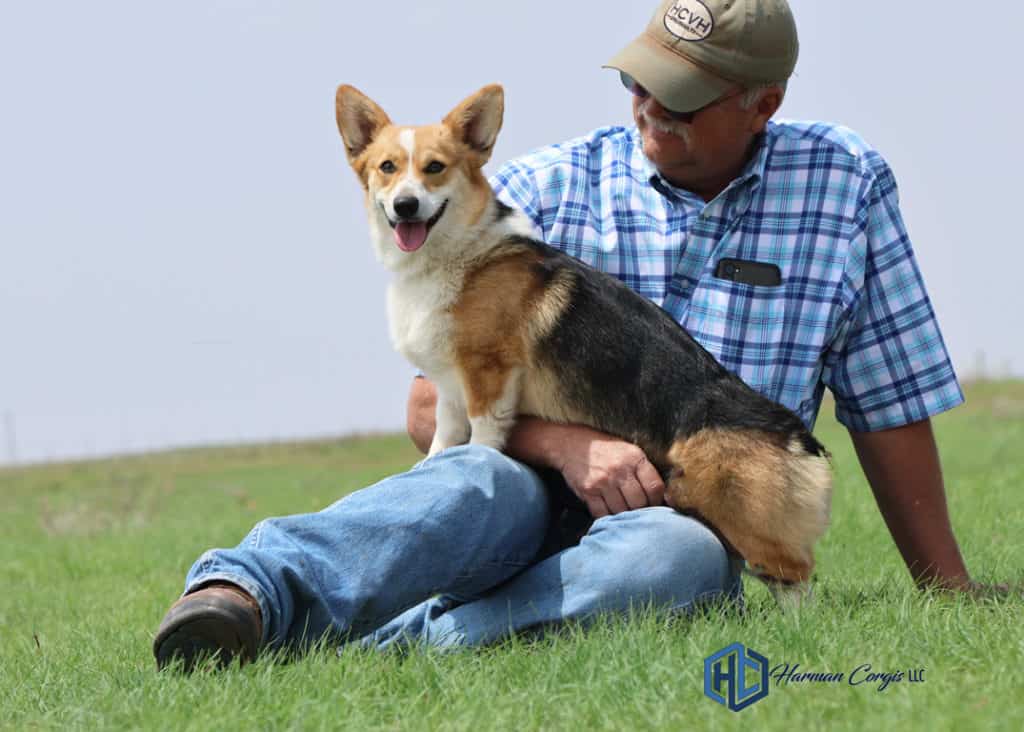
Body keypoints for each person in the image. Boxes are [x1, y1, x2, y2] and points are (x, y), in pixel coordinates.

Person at [153, 0, 996, 672]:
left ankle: (387, 652)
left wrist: (946, 591)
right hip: (524, 477)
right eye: (640, 83)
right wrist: (565, 447)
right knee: (465, 479)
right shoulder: (537, 187)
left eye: (684, 98)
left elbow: (890, 400)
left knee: (669, 563)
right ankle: (246, 593)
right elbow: (428, 407)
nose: (651, 109)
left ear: (762, 104)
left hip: (683, 507)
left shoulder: (843, 188)